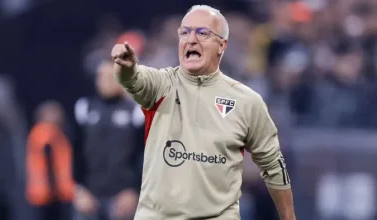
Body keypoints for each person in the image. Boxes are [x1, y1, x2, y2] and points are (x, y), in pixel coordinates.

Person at [111, 5, 296, 220]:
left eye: (203, 34)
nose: (192, 40)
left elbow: (271, 163)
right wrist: (126, 69)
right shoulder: (163, 85)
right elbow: (134, 82)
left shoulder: (247, 99)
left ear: (221, 45)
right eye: (186, 33)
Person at [73, 60, 144, 220]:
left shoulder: (136, 111)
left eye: (110, 76)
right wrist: (78, 188)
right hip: (90, 194)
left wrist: (134, 191)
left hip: (123, 196)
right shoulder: (84, 108)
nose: (104, 81)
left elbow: (144, 156)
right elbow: (75, 153)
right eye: (101, 76)